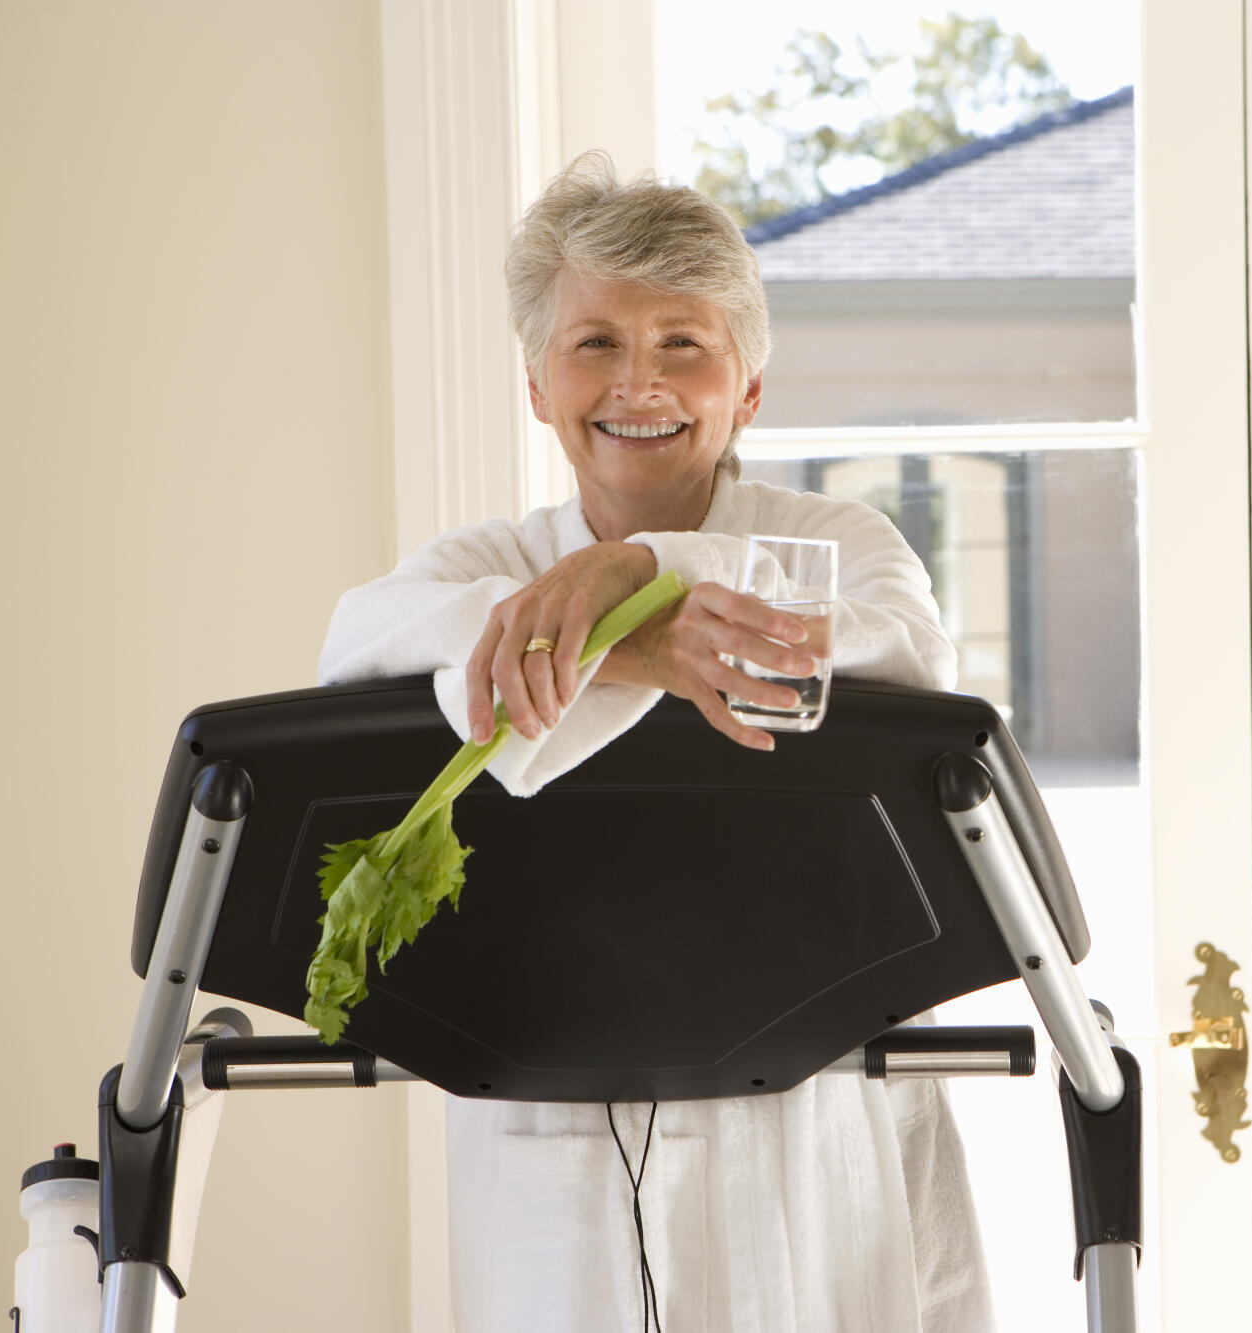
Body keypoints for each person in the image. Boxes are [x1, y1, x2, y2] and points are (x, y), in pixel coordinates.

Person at [317, 152, 995, 1332]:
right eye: (595, 343)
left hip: (811, 1103)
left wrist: (646, 574)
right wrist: (633, 647)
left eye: (684, 343)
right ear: (537, 384)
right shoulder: (479, 570)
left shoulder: (839, 538)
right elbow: (357, 649)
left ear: (748, 389)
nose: (641, 380)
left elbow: (904, 659)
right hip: (547, 1100)